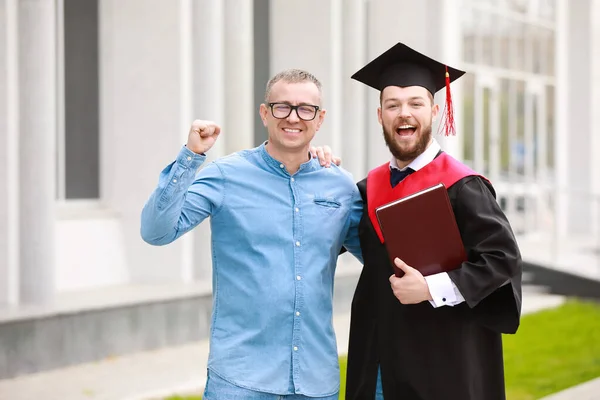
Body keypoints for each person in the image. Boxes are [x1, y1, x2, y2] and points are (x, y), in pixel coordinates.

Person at [140, 69, 362, 400]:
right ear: (264, 113)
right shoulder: (226, 176)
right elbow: (156, 231)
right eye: (282, 106)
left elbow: (382, 260)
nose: (293, 117)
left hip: (316, 382)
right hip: (239, 382)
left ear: (319, 119)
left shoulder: (341, 186)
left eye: (305, 109)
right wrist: (190, 156)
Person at [344, 42, 523, 400]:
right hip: (378, 365)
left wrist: (430, 288)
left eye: (415, 103)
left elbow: (502, 262)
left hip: (443, 367)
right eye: (392, 105)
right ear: (380, 116)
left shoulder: (463, 186)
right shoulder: (368, 189)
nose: (403, 113)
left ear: (436, 111)